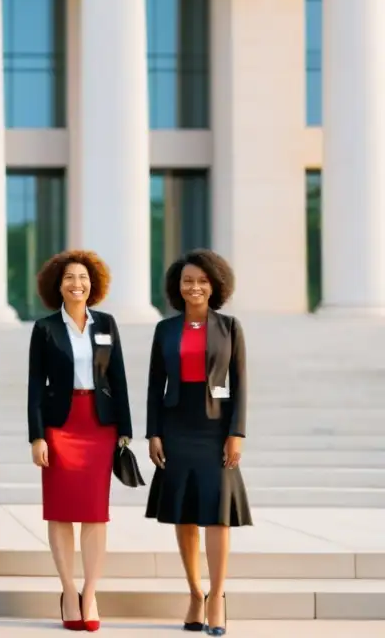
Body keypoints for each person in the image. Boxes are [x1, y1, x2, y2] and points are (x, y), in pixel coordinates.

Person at [145, 249, 251, 637]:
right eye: (188, 280)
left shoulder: (230, 327)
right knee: (185, 513)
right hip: (176, 427)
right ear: (178, 285)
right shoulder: (165, 330)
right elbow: (156, 385)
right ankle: (195, 593)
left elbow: (239, 383)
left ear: (215, 285)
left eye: (203, 281)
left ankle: (218, 597)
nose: (195, 287)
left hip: (216, 429)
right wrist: (153, 432)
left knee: (217, 515)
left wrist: (236, 433)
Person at [27, 250, 132, 633]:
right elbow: (36, 386)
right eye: (69, 277)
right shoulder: (45, 328)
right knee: (59, 510)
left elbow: (117, 376)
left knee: (94, 511)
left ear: (94, 283)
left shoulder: (106, 324)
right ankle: (68, 590)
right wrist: (36, 435)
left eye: (83, 277)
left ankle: (90, 592)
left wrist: (125, 427)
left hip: (99, 425)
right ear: (58, 285)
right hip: (60, 424)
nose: (77, 283)